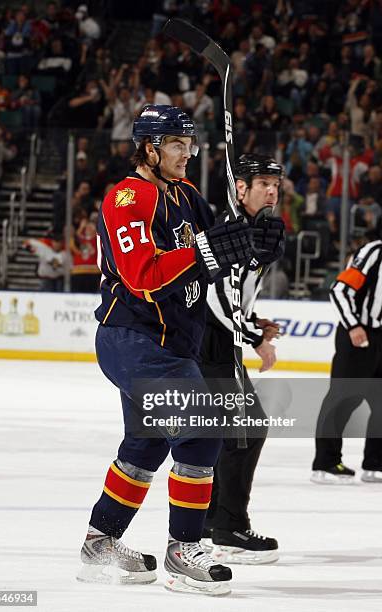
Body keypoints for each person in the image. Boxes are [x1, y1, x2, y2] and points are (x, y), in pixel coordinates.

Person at [78, 105, 284, 595]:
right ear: (149, 148)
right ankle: (184, 550)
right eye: (175, 144)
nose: (186, 153)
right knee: (201, 424)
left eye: (189, 144)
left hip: (174, 344)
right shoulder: (128, 197)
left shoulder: (188, 195)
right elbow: (143, 275)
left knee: (145, 446)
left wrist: (255, 239)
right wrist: (211, 251)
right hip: (134, 338)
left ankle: (99, 543)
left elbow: (219, 255)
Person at [200, 154, 285, 564]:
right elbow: (215, 298)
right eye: (263, 183)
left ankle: (209, 522)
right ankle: (229, 527)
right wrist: (254, 337)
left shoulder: (255, 230)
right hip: (211, 345)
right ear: (240, 189)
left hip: (217, 343)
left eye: (275, 183)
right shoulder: (229, 232)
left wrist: (253, 320)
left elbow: (233, 299)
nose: (272, 190)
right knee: (246, 430)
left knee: (227, 434)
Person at [312, 235, 382, 484]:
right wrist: (353, 325)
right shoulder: (375, 252)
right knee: (343, 399)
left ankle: (376, 464)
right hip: (358, 335)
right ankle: (325, 463)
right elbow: (340, 290)